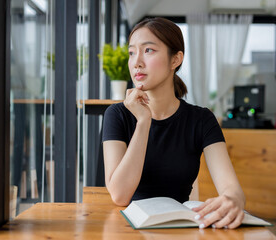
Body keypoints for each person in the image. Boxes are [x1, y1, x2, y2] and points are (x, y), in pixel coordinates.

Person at [102, 17, 245, 229]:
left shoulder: (202, 120)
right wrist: (143, 122)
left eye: (148, 50)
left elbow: (232, 189)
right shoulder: (117, 114)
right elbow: (120, 196)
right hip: (127, 229)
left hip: (183, 228)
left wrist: (232, 201)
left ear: (175, 60)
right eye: (132, 52)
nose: (137, 62)